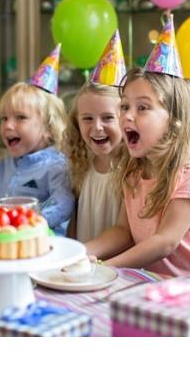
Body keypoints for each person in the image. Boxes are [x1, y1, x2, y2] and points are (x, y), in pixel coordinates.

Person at [86, 17, 190, 279]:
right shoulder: (134, 171)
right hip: (151, 284)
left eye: (143, 107)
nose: (127, 116)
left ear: (174, 120)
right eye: (125, 106)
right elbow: (123, 232)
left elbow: (164, 242)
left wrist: (104, 267)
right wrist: (81, 252)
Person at [0, 45, 74, 234]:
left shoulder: (57, 166)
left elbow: (62, 203)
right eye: (4, 118)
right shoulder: (4, 165)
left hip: (42, 243)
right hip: (4, 240)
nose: (8, 125)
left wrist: (26, 222)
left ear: (48, 128)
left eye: (20, 118)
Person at [63, 31, 126, 243]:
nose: (97, 127)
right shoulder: (81, 164)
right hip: (83, 257)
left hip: (117, 261)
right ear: (76, 122)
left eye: (108, 118)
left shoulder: (131, 169)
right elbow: (75, 218)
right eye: (87, 119)